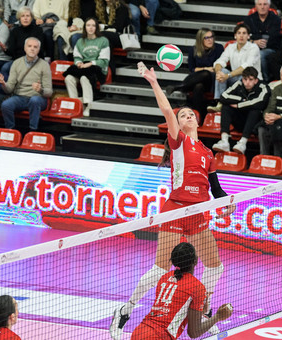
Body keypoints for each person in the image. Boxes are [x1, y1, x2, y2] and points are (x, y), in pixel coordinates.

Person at [110, 62, 235, 340]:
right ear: (178, 124)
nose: (187, 116)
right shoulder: (178, 142)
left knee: (215, 266)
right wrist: (154, 81)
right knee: (161, 268)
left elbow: (216, 189)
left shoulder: (207, 153)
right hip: (176, 209)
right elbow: (167, 110)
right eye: (183, 115)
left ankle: (204, 312)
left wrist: (227, 201)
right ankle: (126, 309)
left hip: (199, 213)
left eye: (191, 114)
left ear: (198, 121)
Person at [131, 242, 233, 339]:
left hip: (139, 331)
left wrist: (200, 309)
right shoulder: (197, 287)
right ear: (196, 261)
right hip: (158, 336)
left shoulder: (165, 278)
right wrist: (218, 317)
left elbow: (173, 307)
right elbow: (194, 332)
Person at [166, 28, 224, 124]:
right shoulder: (193, 49)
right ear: (200, 39)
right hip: (196, 80)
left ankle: (180, 86)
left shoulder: (218, 48)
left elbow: (219, 66)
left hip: (213, 80)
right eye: (207, 38)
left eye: (211, 37)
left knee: (206, 74)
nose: (210, 40)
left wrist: (204, 69)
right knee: (198, 86)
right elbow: (192, 69)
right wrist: (206, 68)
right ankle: (199, 119)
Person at [0, 37, 52, 131]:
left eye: (35, 47)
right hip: (20, 97)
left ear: (39, 49)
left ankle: (33, 130)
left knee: (34, 100)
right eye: (29, 46)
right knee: (6, 105)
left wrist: (40, 90)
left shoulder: (44, 65)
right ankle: (10, 130)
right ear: (25, 48)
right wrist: (3, 84)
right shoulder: (16, 63)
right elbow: (9, 89)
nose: (32, 48)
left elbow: (49, 92)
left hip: (38, 98)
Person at [211, 66, 270, 155]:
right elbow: (223, 97)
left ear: (256, 80)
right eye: (245, 79)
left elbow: (259, 103)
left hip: (254, 124)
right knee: (226, 107)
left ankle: (242, 143)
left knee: (255, 110)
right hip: (241, 121)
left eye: (250, 80)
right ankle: (224, 141)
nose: (247, 83)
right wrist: (242, 100)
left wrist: (239, 105)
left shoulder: (263, 87)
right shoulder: (239, 83)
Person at [207, 23, 261, 113]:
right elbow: (219, 61)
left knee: (237, 76)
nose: (241, 36)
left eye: (244, 33)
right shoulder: (230, 47)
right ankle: (220, 102)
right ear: (235, 35)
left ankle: (225, 102)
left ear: (248, 36)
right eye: (239, 33)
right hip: (236, 78)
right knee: (222, 71)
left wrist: (227, 76)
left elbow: (246, 67)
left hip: (251, 79)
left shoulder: (253, 48)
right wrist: (218, 72)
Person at [63, 17, 110, 117]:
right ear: (85, 27)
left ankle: (88, 105)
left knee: (85, 78)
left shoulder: (103, 40)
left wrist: (90, 63)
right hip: (84, 67)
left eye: (93, 25)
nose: (91, 28)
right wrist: (79, 63)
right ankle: (76, 104)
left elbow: (104, 61)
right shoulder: (80, 41)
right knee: (68, 78)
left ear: (96, 27)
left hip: (97, 68)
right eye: (88, 25)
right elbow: (77, 57)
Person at [243, 0, 280, 83]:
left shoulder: (276, 19)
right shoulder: (249, 19)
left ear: (269, 6)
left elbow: (273, 38)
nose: (262, 7)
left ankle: (264, 80)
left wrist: (254, 36)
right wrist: (254, 41)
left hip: (271, 48)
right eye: (260, 4)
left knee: (260, 54)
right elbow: (245, 36)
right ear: (256, 6)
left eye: (265, 4)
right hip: (252, 46)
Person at [0, 6, 44, 75]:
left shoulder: (38, 30)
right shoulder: (15, 31)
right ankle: (8, 85)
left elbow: (40, 51)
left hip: (33, 61)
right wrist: (5, 49)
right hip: (18, 60)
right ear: (19, 18)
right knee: (5, 68)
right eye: (23, 16)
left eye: (28, 16)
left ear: (32, 18)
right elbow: (12, 52)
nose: (25, 18)